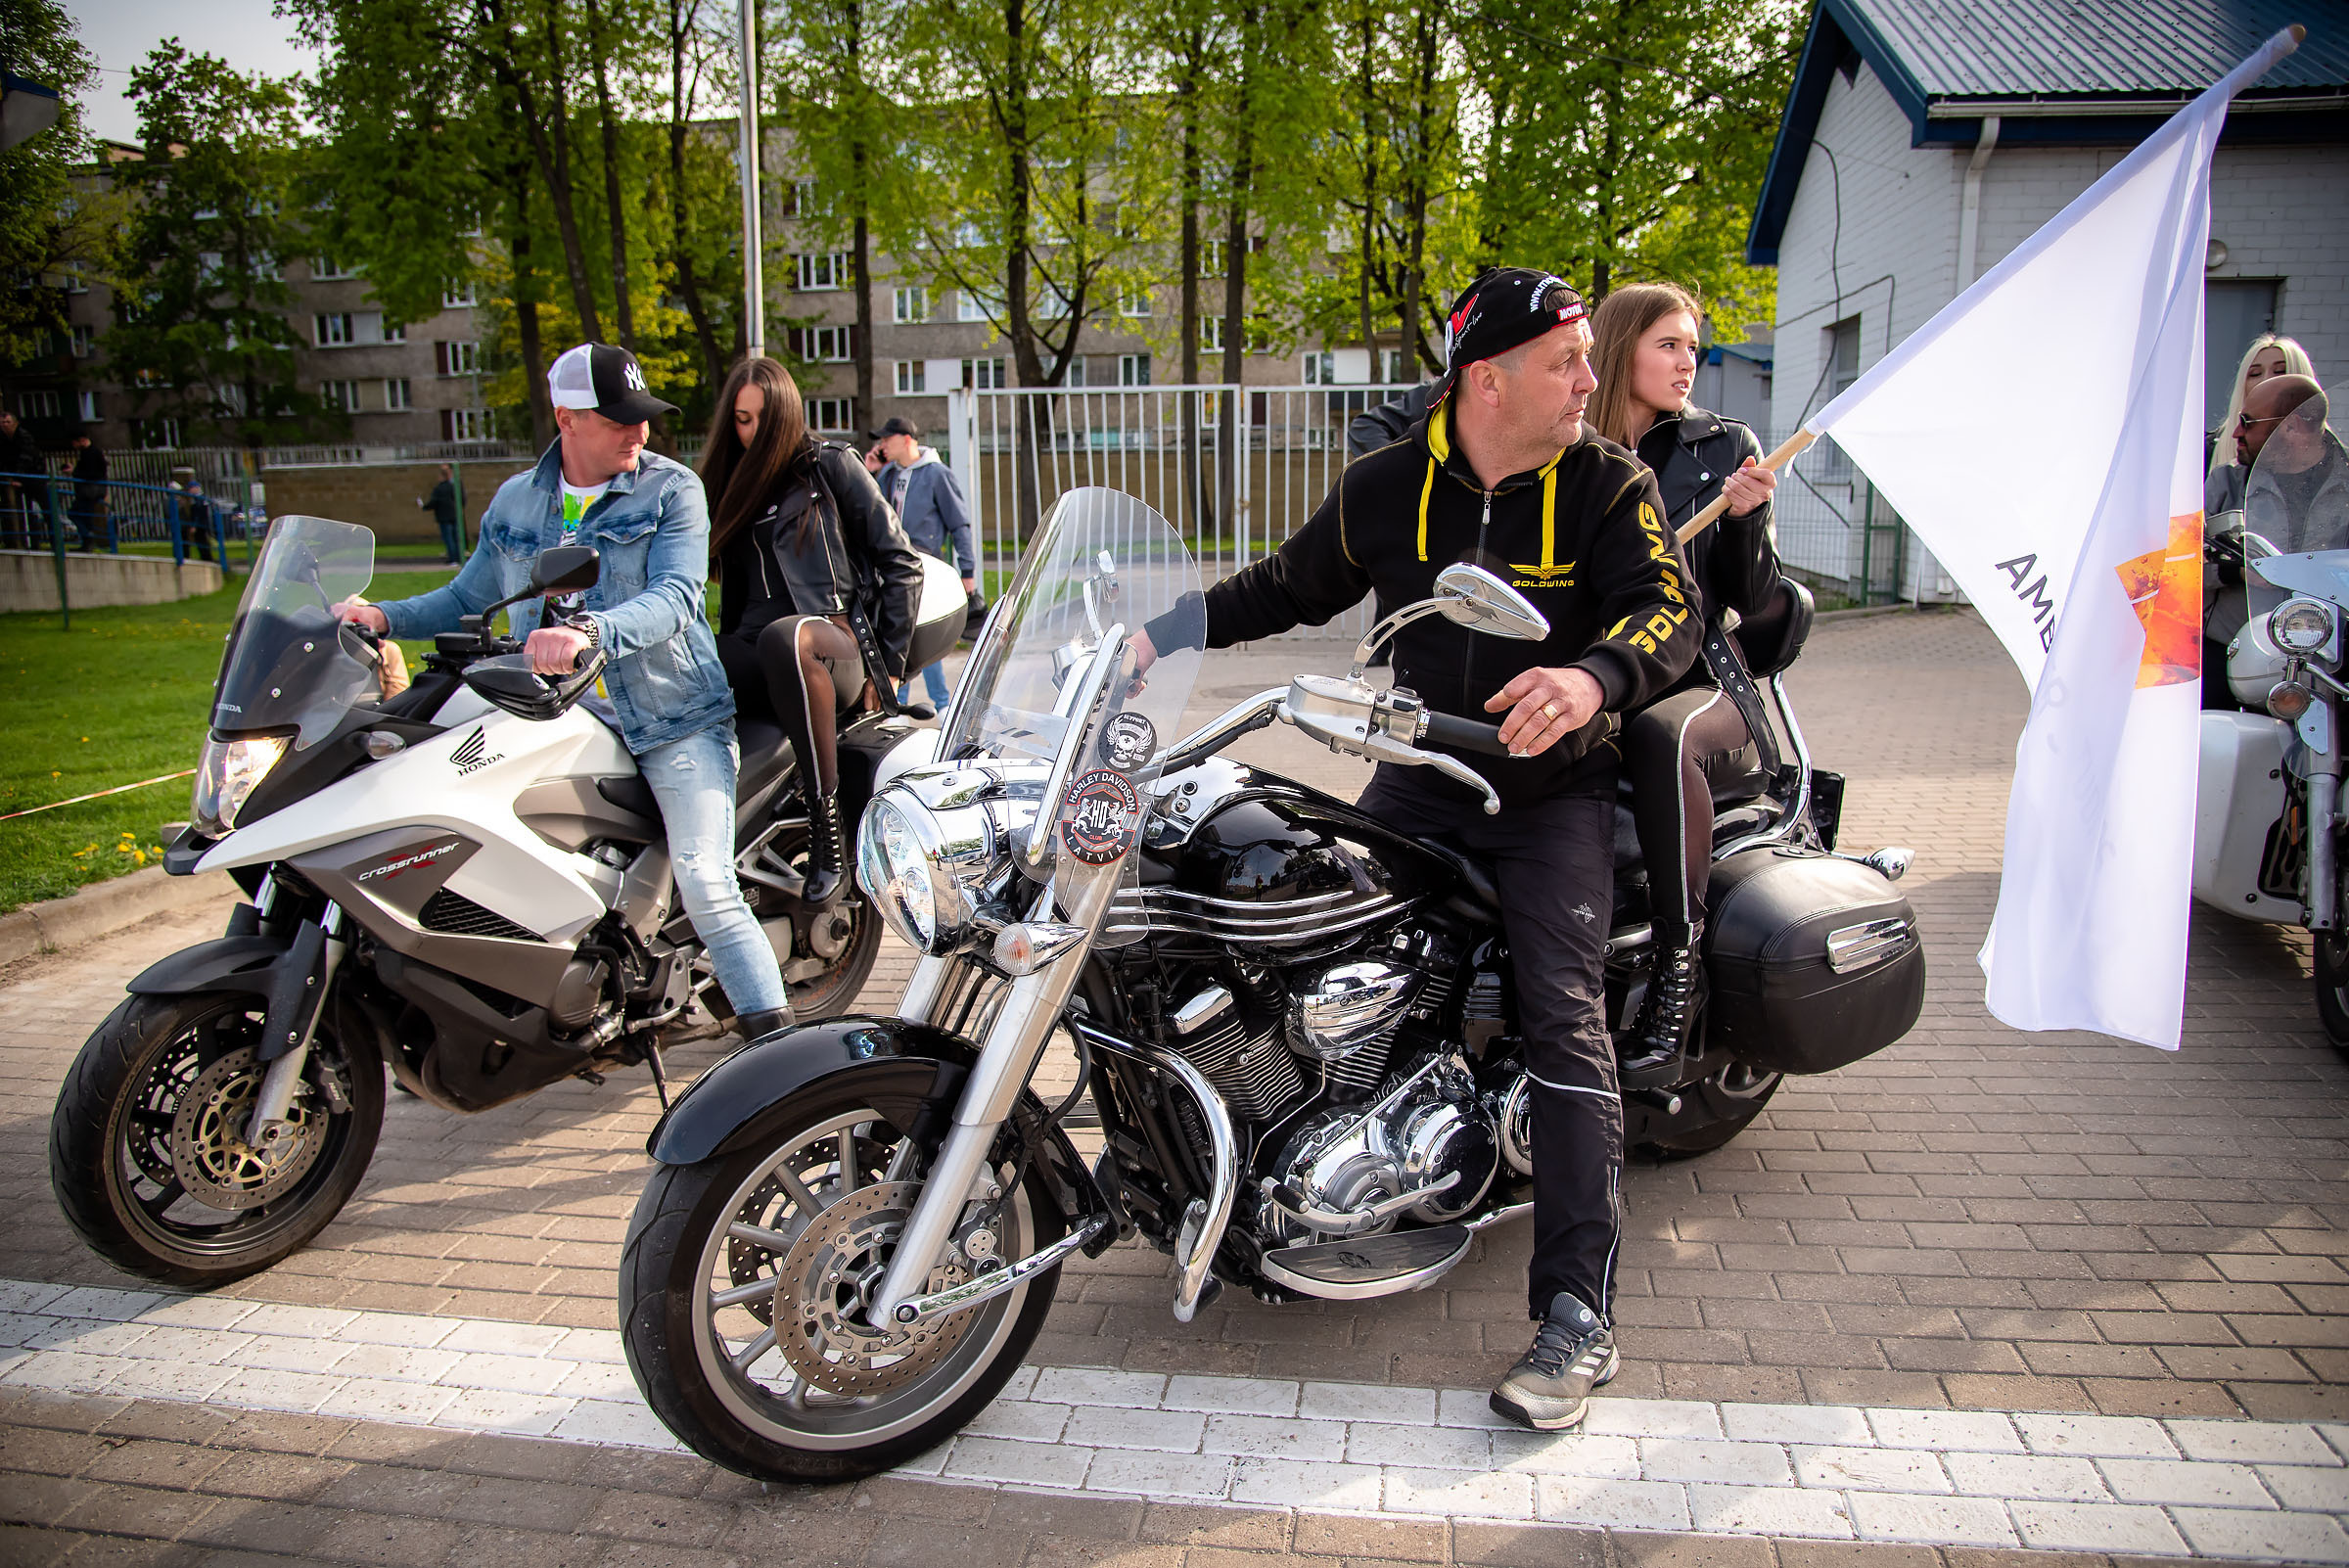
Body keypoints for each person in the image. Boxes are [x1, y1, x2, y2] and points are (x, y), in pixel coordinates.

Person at [1135, 268, 1698, 1433]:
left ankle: (1577, 1315)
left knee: (1563, 1010)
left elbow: (1669, 609)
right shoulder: (1390, 486)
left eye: (1590, 360)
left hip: (1553, 792)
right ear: (1485, 379)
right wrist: (1153, 634)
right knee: (1297, 935)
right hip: (1419, 774)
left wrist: (1594, 675)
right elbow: (1285, 586)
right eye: (1566, 364)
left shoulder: (1607, 482)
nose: (1589, 382)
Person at [335, 342, 796, 1040]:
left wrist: (588, 628)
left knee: (706, 882)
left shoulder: (671, 489)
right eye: (618, 419)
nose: (639, 433)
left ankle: (783, 1055)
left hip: (673, 717)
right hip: (549, 712)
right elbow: (468, 594)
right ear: (568, 419)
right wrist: (381, 616)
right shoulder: (519, 499)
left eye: (643, 417)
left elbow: (674, 597)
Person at [1586, 282, 1779, 1085]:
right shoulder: (1568, 449)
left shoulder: (1721, 444)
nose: (1688, 361)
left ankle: (1678, 961)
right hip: (1604, 678)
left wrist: (1743, 521)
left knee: (1658, 735)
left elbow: (1753, 599)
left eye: (1692, 346)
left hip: (1701, 681)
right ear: (1619, 345)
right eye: (1669, 343)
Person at [703, 357, 923, 904]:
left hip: (831, 644)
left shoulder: (828, 466)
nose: (749, 432)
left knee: (786, 635)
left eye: (761, 419)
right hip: (761, 652)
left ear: (787, 415)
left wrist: (889, 666)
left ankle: (829, 836)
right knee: (691, 652)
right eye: (740, 419)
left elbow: (902, 564)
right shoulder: (730, 485)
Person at [872, 415, 978, 713]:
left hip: (925, 567)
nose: (882, 445)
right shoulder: (887, 475)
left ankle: (941, 704)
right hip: (892, 568)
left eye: (886, 439)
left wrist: (967, 570)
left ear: (906, 439)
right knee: (898, 633)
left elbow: (959, 524)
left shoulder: (936, 474)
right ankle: (896, 703)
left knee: (922, 634)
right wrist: (869, 470)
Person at [2208, 334, 2317, 512]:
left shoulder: (2336, 463)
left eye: (2280, 371)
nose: (2267, 379)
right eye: (2255, 373)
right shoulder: (2208, 453)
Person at [2241, 375, 2346, 554]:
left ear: (2291, 426)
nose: (2236, 433)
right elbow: (2186, 556)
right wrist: (2234, 572)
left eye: (2246, 422)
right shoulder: (2226, 483)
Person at [0, 409, 47, 549]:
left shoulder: (24, 436)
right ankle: (13, 541)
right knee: (12, 509)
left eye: (8, 422)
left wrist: (19, 477)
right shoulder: (2, 439)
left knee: (40, 509)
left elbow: (27, 458)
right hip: (14, 478)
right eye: (2, 423)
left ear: (15, 423)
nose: (5, 425)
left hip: (33, 477)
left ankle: (38, 542)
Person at [69, 431, 108, 552]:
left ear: (82, 441)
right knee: (85, 516)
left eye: (75, 443)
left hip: (89, 491)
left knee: (75, 513)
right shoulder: (91, 452)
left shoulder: (90, 453)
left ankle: (88, 537)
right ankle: (87, 542)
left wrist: (74, 472)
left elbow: (92, 473)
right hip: (91, 491)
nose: (74, 446)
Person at [419, 463, 463, 563]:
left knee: (449, 539)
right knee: (456, 538)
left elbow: (434, 502)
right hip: (454, 515)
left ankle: (453, 559)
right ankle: (459, 558)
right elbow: (461, 499)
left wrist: (424, 507)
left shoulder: (439, 489)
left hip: (444, 517)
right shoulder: (454, 486)